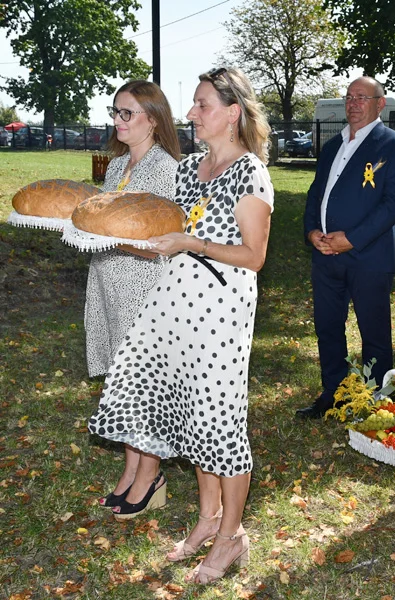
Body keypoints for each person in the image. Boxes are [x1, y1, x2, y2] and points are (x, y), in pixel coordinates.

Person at [89, 66, 274, 584]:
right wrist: (114, 233)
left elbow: (253, 256)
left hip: (220, 314)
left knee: (221, 424)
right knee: (196, 422)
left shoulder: (250, 171)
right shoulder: (192, 167)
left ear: (233, 113)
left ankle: (231, 535)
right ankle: (207, 519)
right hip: (175, 309)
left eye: (202, 105)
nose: (191, 113)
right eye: (193, 104)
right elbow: (166, 231)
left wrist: (192, 244)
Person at [297, 76, 395, 419]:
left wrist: (352, 238)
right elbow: (316, 192)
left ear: (380, 103)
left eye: (362, 97)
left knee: (374, 333)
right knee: (328, 327)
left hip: (369, 256)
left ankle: (377, 403)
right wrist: (311, 231)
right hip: (325, 256)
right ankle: (334, 394)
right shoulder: (333, 145)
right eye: (349, 97)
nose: (353, 103)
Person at [88, 80, 181, 511]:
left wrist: (93, 233)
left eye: (127, 113)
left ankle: (150, 476)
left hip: (143, 285)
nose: (118, 120)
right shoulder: (115, 165)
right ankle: (130, 470)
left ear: (153, 119)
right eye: (116, 112)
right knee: (121, 382)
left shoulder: (165, 169)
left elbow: (156, 239)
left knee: (142, 383)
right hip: (109, 280)